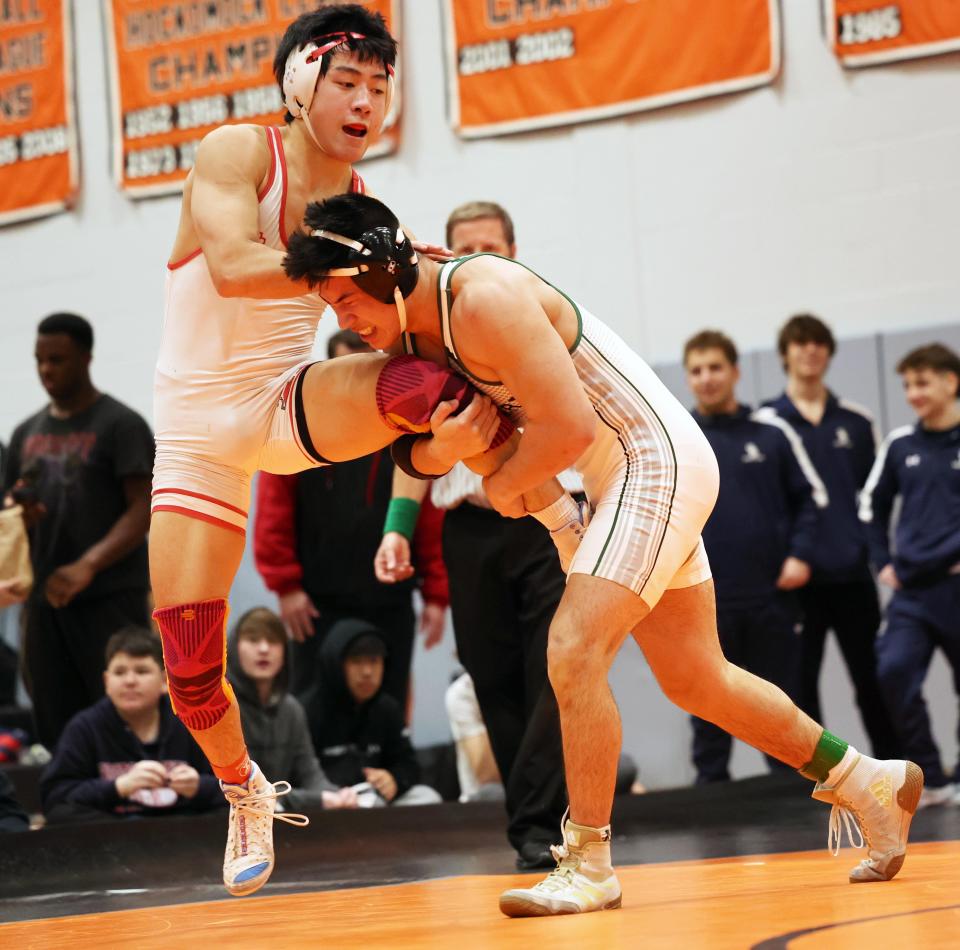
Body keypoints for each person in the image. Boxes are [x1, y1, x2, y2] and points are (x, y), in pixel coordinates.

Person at [285, 191, 924, 917]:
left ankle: (588, 861)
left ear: (385, 275)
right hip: (610, 476)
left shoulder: (483, 298)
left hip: (651, 461)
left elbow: (568, 435)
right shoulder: (410, 333)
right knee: (697, 679)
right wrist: (450, 452)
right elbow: (424, 451)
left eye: (343, 300)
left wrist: (496, 483)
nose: (341, 320)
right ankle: (866, 779)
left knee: (572, 647)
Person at [148, 5, 533, 898]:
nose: (367, 100)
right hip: (199, 436)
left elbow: (384, 321)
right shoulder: (238, 153)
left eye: (380, 85)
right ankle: (245, 788)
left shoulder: (359, 192)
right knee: (192, 673)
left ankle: (547, 498)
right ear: (296, 84)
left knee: (429, 385)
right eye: (347, 81)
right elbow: (238, 263)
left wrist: (420, 274)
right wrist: (345, 257)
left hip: (284, 407)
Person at [375, 201, 571, 870]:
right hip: (469, 528)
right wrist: (398, 529)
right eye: (464, 248)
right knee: (491, 678)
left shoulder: (541, 320)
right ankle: (535, 822)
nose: (477, 257)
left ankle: (544, 824)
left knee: (554, 671)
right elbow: (413, 447)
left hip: (548, 520)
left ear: (513, 252)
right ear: (444, 257)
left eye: (489, 246)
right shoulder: (434, 343)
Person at [254, 329, 449, 707]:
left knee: (389, 707)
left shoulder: (405, 423)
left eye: (368, 368)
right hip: (315, 602)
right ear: (328, 370)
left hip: (390, 598)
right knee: (314, 706)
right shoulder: (299, 427)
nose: (358, 377)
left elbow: (428, 511)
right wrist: (286, 586)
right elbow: (272, 511)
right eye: (348, 367)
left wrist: (437, 595)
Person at [3, 313, 153, 751]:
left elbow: (144, 508)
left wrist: (88, 565)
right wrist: (19, 515)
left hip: (109, 595)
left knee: (121, 709)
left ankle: (128, 801)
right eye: (39, 360)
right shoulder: (24, 432)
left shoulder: (121, 424)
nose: (46, 370)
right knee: (52, 712)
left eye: (58, 359)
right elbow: (8, 511)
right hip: (45, 598)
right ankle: (67, 803)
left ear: (86, 358)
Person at [684, 330, 828, 783]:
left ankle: (802, 796)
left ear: (735, 371)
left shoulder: (772, 432)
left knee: (784, 701)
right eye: (696, 370)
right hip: (704, 603)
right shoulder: (679, 437)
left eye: (715, 368)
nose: (706, 379)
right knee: (707, 705)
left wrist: (800, 555)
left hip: (771, 598)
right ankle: (710, 799)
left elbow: (813, 499)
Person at [762, 315, 900, 761]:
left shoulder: (857, 422)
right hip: (799, 582)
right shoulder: (768, 423)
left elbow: (874, 497)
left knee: (873, 680)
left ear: (828, 353)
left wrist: (874, 553)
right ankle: (815, 783)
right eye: (800, 343)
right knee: (800, 690)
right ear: (785, 353)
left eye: (819, 343)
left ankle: (894, 773)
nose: (810, 351)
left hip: (852, 575)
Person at [859, 343, 960, 807]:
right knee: (894, 670)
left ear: (950, 382)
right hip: (912, 595)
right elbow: (870, 508)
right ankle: (933, 778)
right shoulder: (900, 444)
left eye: (922, 383)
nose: (913, 393)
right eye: (907, 385)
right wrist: (883, 561)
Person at [40, 627, 224, 821]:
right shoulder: (84, 728)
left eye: (142, 671)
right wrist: (118, 787)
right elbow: (55, 800)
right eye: (119, 672)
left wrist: (200, 787)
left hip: (188, 838)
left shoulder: (192, 723)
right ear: (106, 682)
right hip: (112, 841)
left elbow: (245, 789)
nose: (129, 681)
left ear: (164, 681)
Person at [227, 606, 358, 811]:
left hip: (283, 814)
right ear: (234, 649)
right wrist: (319, 800)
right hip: (231, 818)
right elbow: (246, 790)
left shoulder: (292, 709)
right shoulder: (223, 708)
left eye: (273, 641)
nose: (263, 649)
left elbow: (311, 774)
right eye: (253, 640)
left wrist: (338, 796)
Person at [299, 618, 441, 806]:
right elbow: (299, 774)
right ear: (336, 664)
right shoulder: (308, 710)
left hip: (375, 799)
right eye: (356, 661)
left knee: (427, 797)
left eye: (374, 661)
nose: (367, 672)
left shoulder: (387, 708)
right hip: (328, 802)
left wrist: (394, 779)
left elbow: (409, 764)